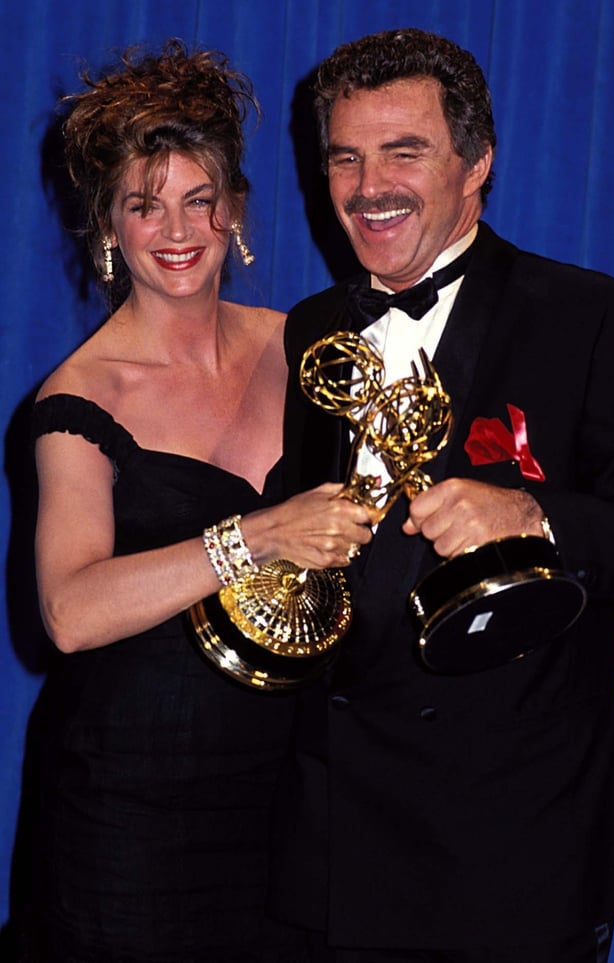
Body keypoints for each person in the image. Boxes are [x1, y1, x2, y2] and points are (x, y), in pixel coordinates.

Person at [269, 27, 614, 963]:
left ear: (477, 163)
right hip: (335, 843)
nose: (368, 186)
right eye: (345, 157)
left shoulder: (593, 317)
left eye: (406, 151)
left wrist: (539, 516)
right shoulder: (313, 326)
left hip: (511, 850)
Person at [23, 39, 372, 963]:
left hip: (292, 790)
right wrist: (255, 535)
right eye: (144, 205)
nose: (175, 230)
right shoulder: (77, 402)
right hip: (128, 813)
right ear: (108, 223)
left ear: (236, 211)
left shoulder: (310, 345)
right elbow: (66, 612)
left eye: (197, 199)